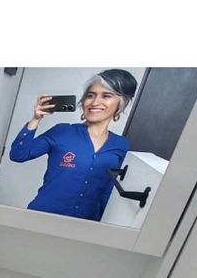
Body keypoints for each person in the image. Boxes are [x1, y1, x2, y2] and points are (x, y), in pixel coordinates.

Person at [8, 69, 139, 221]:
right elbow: (18, 154)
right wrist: (36, 119)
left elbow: (109, 190)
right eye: (90, 95)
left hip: (86, 224)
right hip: (41, 217)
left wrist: (105, 224)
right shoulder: (62, 132)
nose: (95, 102)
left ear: (121, 103)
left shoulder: (121, 145)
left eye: (106, 96)